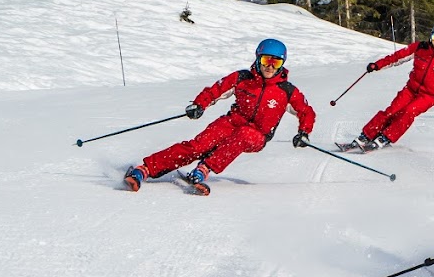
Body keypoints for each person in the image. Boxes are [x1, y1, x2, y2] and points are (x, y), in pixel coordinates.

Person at [123, 38, 315, 195]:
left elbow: (306, 112)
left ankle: (204, 168)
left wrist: (303, 132)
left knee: (244, 136)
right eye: (266, 60)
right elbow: (216, 90)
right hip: (231, 122)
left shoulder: (286, 91)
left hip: (258, 134)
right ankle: (145, 169)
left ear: (282, 64)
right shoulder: (242, 78)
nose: (270, 67)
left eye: (276, 62)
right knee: (198, 146)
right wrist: (199, 104)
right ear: (258, 59)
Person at [349, 21, 434, 151]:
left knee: (408, 112)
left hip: (428, 96)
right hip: (410, 89)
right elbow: (396, 57)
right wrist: (377, 65)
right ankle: (366, 135)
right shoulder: (420, 48)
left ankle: (386, 137)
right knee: (391, 110)